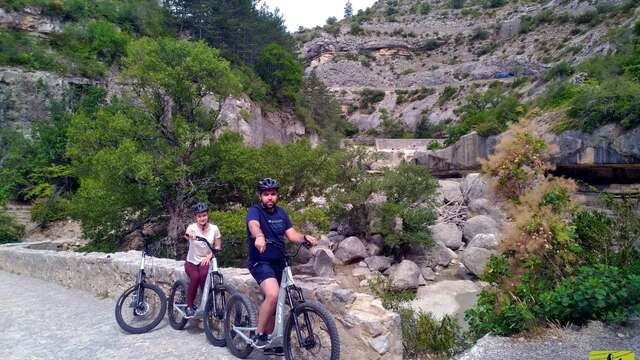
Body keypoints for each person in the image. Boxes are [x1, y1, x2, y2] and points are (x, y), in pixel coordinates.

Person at [246, 178, 318, 351]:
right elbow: (253, 225)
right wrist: (259, 236)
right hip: (260, 261)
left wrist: (305, 237)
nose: (270, 197)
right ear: (260, 196)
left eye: (273, 194)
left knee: (275, 301)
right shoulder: (254, 211)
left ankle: (271, 340)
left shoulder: (282, 213)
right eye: (266, 194)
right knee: (273, 294)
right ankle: (259, 334)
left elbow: (292, 235)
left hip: (280, 262)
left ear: (277, 195)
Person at [184, 202, 221, 318]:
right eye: (199, 216)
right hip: (191, 262)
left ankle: (207, 305)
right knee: (195, 277)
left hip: (205, 260)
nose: (202, 218)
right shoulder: (192, 227)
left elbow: (218, 246)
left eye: (204, 215)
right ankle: (189, 306)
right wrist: (191, 235)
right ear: (196, 217)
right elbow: (187, 233)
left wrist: (210, 255)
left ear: (207, 215)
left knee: (205, 277)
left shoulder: (214, 229)